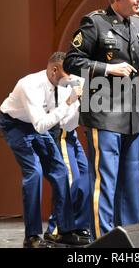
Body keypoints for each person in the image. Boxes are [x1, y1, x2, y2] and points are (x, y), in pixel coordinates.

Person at [63, 0, 139, 239]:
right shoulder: (95, 22)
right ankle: (104, 240)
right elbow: (71, 61)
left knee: (131, 183)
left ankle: (127, 237)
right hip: (104, 113)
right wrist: (108, 69)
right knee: (106, 181)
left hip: (132, 115)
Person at [0, 52, 89, 248]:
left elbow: (66, 121)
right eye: (68, 73)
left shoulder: (64, 84)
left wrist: (76, 103)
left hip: (39, 124)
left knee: (60, 171)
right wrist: (68, 102)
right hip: (15, 124)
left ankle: (64, 231)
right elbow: (41, 125)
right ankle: (31, 236)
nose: (71, 78)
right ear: (54, 70)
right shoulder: (29, 85)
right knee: (35, 173)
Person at [44, 74, 91, 243]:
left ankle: (77, 225)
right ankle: (55, 228)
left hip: (72, 135)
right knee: (70, 180)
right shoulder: (66, 82)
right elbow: (65, 121)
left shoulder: (87, 79)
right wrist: (79, 103)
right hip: (62, 134)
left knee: (86, 178)